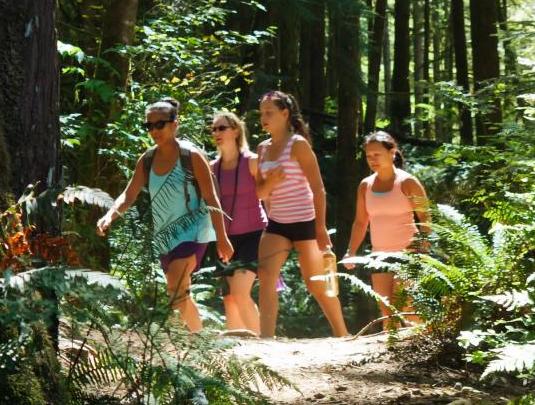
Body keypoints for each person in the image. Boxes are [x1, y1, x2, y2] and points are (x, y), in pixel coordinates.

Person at [96, 98, 223, 333]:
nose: (154, 130)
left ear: (175, 125)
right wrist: (110, 215)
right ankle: (200, 339)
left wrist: (222, 238)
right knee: (180, 293)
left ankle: (192, 341)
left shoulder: (191, 156)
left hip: (194, 231)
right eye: (149, 125)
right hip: (165, 236)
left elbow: (211, 197)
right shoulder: (147, 160)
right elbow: (129, 195)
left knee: (175, 288)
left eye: (160, 124)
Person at [254, 90, 349, 339]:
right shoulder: (262, 149)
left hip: (306, 222)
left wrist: (320, 228)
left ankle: (342, 335)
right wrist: (271, 182)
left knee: (316, 284)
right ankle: (266, 338)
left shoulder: (298, 144)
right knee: (266, 276)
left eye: (269, 113)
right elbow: (260, 192)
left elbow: (318, 188)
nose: (264, 118)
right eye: (261, 113)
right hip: (277, 223)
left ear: (285, 114)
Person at [343, 130, 431, 333]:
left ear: (392, 153)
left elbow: (425, 217)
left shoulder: (408, 182)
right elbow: (360, 222)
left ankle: (423, 344)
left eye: (377, 154)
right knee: (387, 312)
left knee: (405, 306)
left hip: (409, 253)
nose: (372, 160)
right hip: (379, 255)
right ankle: (392, 351)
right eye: (368, 156)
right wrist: (351, 251)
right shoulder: (365, 186)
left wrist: (422, 248)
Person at [208, 110, 264, 336]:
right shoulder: (212, 167)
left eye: (221, 128)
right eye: (213, 129)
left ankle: (262, 343)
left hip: (254, 235)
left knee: (240, 293)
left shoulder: (252, 162)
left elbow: (268, 196)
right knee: (230, 298)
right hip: (225, 239)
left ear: (236, 131)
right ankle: (237, 349)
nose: (216, 133)